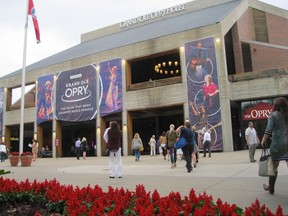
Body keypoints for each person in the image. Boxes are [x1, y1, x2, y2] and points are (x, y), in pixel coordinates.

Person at [261, 97, 288, 195]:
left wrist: (263, 140)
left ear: (276, 106)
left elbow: (269, 130)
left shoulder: (273, 115)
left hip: (277, 145)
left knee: (274, 168)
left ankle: (271, 187)